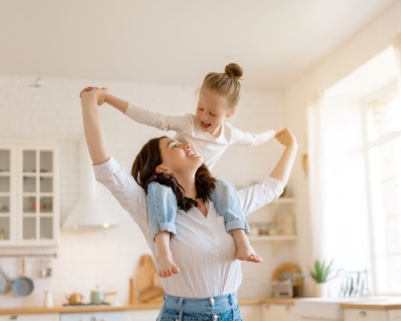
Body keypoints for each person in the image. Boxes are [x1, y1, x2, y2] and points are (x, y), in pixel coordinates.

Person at [80, 86, 298, 321]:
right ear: (163, 169)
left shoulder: (225, 202)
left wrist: (291, 146)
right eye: (174, 147)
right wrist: (90, 103)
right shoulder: (149, 207)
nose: (187, 144)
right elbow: (106, 168)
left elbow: (271, 189)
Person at [103, 63, 280, 277]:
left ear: (230, 113)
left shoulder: (230, 134)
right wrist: (108, 99)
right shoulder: (189, 124)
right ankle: (164, 252)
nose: (204, 117)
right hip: (173, 181)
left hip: (199, 183)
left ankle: (242, 241)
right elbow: (152, 117)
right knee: (159, 192)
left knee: (224, 186)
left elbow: (254, 139)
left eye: (213, 113)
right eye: (201, 108)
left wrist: (276, 132)